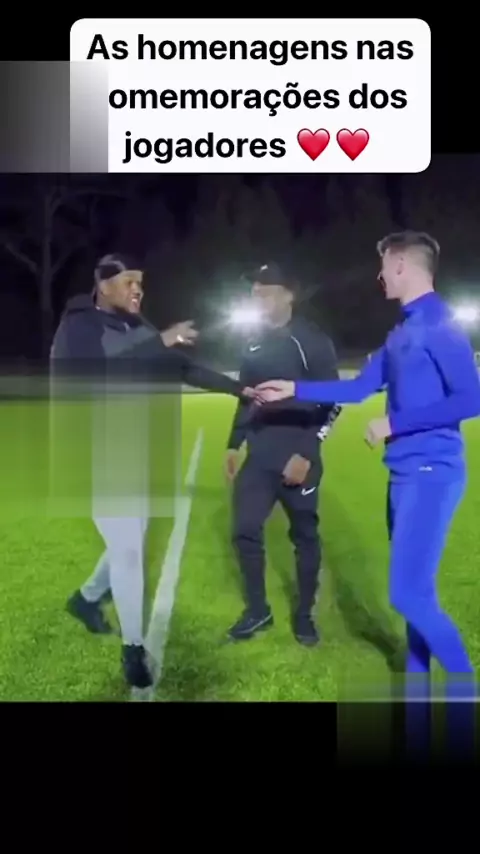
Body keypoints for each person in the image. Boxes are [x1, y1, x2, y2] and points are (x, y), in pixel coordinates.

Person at [256, 232, 480, 681]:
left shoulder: (439, 324)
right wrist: (293, 388)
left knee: (407, 595)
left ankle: (465, 686)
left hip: (433, 472)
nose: (379, 276)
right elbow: (359, 388)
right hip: (403, 474)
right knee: (418, 592)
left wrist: (394, 424)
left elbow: (472, 398)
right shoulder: (401, 333)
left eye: (383, 267)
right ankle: (417, 682)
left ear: (400, 265)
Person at [51, 253, 253, 690]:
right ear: (103, 285)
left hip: (134, 453)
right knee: (127, 549)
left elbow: (183, 367)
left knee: (129, 539)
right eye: (128, 281)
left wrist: (240, 389)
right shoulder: (78, 326)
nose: (138, 289)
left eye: (140, 282)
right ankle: (133, 649)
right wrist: (159, 341)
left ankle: (86, 599)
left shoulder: (137, 328)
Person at [225, 262, 342, 645]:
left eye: (267, 291)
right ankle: (258, 611)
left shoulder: (312, 340)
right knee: (244, 530)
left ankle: (305, 615)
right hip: (260, 455)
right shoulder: (252, 342)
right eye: (254, 292)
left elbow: (334, 401)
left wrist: (306, 453)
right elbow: (248, 397)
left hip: (299, 457)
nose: (258, 298)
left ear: (289, 295)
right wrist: (234, 443)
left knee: (304, 535)